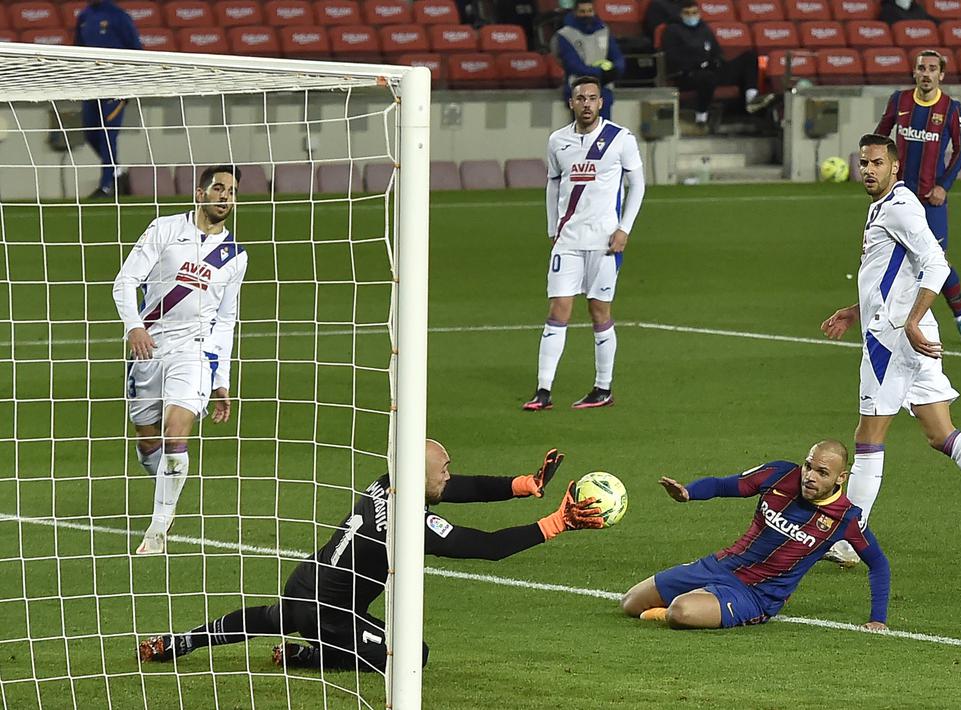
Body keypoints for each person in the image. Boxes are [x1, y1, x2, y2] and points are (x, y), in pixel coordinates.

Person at [138, 442, 604, 670]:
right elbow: (487, 547)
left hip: (307, 583)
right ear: (421, 475)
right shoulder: (407, 523)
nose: (450, 477)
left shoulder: (389, 481)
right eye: (443, 470)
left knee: (265, 617)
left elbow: (454, 489)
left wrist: (521, 486)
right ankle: (306, 657)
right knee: (410, 657)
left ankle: (181, 642)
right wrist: (556, 522)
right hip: (333, 613)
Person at [819, 134, 961, 566]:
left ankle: (848, 542)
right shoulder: (885, 206)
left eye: (877, 163)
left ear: (895, 167)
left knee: (867, 439)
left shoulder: (899, 208)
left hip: (894, 339)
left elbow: (937, 263)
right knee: (941, 433)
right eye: (863, 163)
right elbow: (891, 277)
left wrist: (913, 319)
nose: (868, 170)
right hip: (910, 335)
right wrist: (853, 310)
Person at [112, 166, 248, 555]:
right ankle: (163, 483)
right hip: (149, 348)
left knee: (176, 432)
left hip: (195, 352)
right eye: (219, 188)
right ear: (200, 193)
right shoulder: (165, 229)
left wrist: (222, 377)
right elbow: (125, 281)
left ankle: (158, 529)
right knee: (149, 438)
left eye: (232, 191)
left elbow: (226, 319)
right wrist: (134, 327)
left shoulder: (234, 257)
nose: (225, 197)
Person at [620, 440, 889, 629]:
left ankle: (684, 606)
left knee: (681, 612)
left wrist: (878, 618)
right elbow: (725, 485)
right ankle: (701, 596)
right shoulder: (780, 474)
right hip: (721, 566)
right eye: (808, 466)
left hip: (756, 594)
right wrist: (689, 493)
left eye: (822, 473)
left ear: (840, 478)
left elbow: (878, 563)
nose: (810, 476)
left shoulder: (846, 518)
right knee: (630, 603)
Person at [523, 76, 646, 412]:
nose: (587, 104)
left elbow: (638, 186)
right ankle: (543, 391)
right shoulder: (557, 141)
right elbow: (552, 184)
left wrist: (624, 229)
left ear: (601, 103)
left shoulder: (620, 139)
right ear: (571, 103)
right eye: (581, 98)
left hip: (605, 242)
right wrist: (552, 227)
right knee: (557, 309)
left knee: (598, 311)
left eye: (593, 98)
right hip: (568, 240)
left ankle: (602, 387)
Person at [873, 49, 961, 345]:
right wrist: (881, 173)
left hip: (931, 201)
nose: (927, 73)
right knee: (887, 258)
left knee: (936, 262)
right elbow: (881, 138)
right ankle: (886, 319)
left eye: (933, 68)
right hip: (899, 198)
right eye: (922, 68)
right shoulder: (899, 101)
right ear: (914, 72)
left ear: (941, 74)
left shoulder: (952, 108)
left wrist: (944, 185)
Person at [660, 0, 774, 129]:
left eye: (694, 12)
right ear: (680, 14)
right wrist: (699, 63)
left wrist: (717, 61)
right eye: (687, 13)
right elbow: (672, 58)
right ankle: (701, 116)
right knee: (707, 77)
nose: (691, 16)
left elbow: (717, 52)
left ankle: (751, 99)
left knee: (749, 57)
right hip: (687, 74)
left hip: (712, 69)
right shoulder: (672, 31)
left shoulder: (704, 29)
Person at [75, 0, 142, 199]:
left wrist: (131, 83)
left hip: (116, 85)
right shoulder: (84, 16)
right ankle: (116, 170)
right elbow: (77, 49)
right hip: (92, 86)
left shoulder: (119, 16)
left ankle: (106, 186)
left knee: (108, 135)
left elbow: (135, 49)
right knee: (90, 133)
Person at [551, 0, 625, 120]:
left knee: (603, 133)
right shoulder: (565, 35)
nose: (587, 14)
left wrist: (617, 70)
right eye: (582, 11)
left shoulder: (604, 31)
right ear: (575, 13)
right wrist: (600, 73)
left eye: (589, 11)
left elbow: (617, 56)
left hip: (603, 88)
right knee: (584, 132)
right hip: (577, 87)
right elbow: (572, 64)